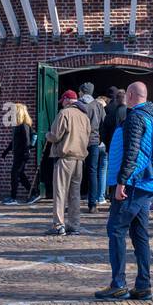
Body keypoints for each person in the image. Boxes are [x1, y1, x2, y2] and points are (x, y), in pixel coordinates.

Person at [95, 81, 153, 300]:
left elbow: (132, 150)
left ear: (132, 95)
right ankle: (143, 284)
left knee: (115, 229)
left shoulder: (136, 116)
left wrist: (122, 181)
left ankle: (118, 283)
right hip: (146, 183)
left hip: (134, 183)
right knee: (139, 233)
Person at [45, 90, 90, 235]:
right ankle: (74, 224)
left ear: (66, 100)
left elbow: (55, 135)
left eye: (62, 101)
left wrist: (47, 135)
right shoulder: (84, 116)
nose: (61, 104)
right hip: (80, 159)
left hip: (65, 157)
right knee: (75, 194)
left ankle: (58, 225)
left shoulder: (64, 114)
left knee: (60, 192)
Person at [77, 82, 106, 213]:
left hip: (80, 142)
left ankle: (74, 202)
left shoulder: (79, 105)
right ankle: (92, 204)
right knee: (93, 172)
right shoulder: (99, 106)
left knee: (76, 173)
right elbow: (103, 124)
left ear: (83, 91)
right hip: (94, 141)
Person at [1, 103, 34, 204]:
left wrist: (26, 152)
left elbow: (27, 140)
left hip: (22, 155)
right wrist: (6, 151)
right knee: (20, 175)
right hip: (18, 154)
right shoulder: (17, 125)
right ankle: (33, 193)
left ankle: (13, 197)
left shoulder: (24, 125)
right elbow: (14, 141)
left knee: (14, 174)